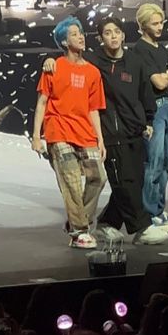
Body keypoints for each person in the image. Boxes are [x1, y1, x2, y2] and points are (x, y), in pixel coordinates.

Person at [40, 16, 168, 245]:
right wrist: (49, 58)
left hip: (135, 131)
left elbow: (145, 92)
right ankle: (141, 228)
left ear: (123, 35)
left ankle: (107, 223)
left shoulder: (135, 61)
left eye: (116, 31)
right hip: (109, 134)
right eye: (107, 33)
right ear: (101, 38)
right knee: (124, 182)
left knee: (134, 182)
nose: (113, 36)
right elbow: (68, 58)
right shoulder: (94, 61)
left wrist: (148, 121)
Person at [31, 16, 107, 249]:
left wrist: (100, 140)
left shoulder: (93, 72)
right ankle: (79, 231)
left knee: (99, 178)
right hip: (59, 131)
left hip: (85, 133)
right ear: (64, 41)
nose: (81, 36)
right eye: (74, 34)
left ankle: (77, 221)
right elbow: (42, 102)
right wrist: (36, 136)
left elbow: (94, 109)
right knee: (72, 181)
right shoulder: (54, 67)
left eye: (81, 32)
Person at [133, 2, 168, 229]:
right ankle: (149, 212)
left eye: (161, 22)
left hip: (167, 107)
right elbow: (159, 81)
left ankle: (160, 209)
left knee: (166, 161)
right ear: (143, 25)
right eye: (155, 23)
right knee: (153, 162)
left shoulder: (163, 49)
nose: (160, 27)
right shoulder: (139, 50)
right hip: (153, 108)